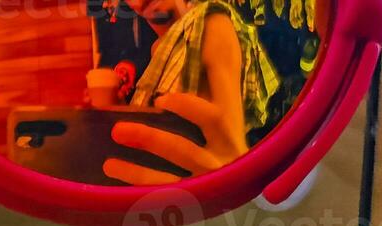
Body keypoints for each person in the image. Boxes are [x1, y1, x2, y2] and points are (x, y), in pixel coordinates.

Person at [105, 0, 280, 183]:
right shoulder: (160, 48)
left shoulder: (210, 23)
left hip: (201, 199)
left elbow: (231, 147)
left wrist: (226, 183)